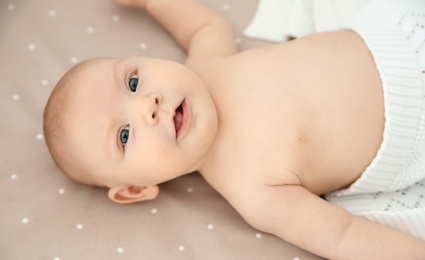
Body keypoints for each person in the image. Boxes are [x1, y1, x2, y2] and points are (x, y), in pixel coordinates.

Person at [43, 0, 425, 258]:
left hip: (397, 34)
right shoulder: (254, 192)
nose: (149, 105)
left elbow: (203, 25)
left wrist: (149, 2)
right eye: (124, 136)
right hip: (414, 133)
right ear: (136, 188)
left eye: (132, 82)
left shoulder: (208, 64)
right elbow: (342, 236)